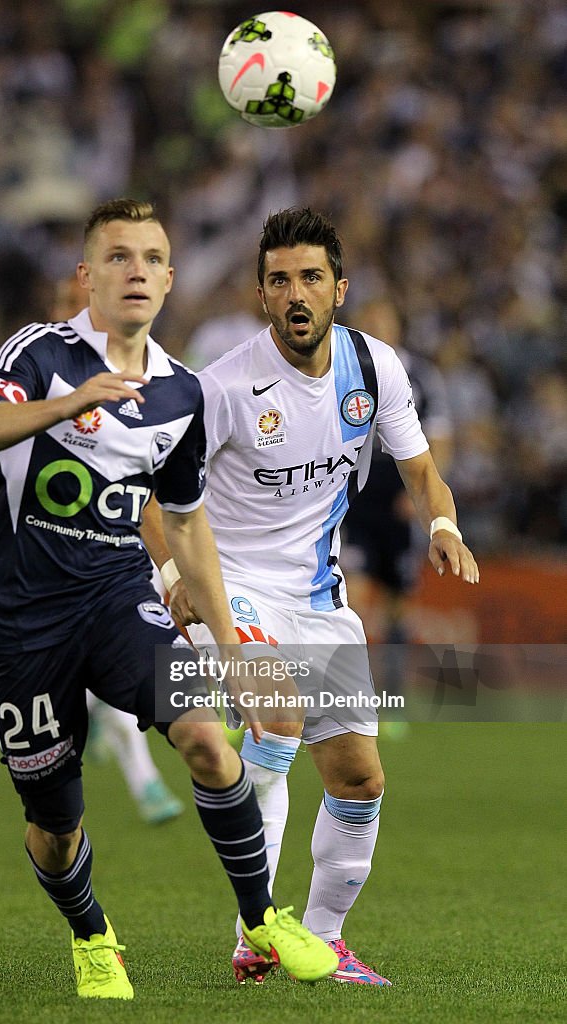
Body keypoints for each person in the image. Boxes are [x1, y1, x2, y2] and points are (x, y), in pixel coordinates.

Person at [0, 199, 339, 1000]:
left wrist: (229, 647)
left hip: (117, 596)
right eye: (117, 257)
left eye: (150, 258)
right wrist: (63, 405)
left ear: (167, 279)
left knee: (204, 735)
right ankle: (93, 937)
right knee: (56, 826)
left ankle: (262, 917)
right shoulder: (40, 354)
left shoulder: (182, 394)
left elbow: (189, 527)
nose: (136, 270)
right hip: (22, 618)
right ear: (86, 277)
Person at [141, 206, 479, 987]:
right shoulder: (222, 386)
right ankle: (256, 929)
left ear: (339, 288)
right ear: (262, 296)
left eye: (310, 278)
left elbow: (421, 467)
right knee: (278, 711)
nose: (295, 293)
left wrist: (441, 523)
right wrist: (173, 581)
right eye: (279, 280)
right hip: (232, 592)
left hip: (318, 599)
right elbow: (151, 497)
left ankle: (322, 942)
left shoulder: (375, 368)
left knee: (359, 780)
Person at [51, 272, 184, 825]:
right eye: (64, 305)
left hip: (121, 561)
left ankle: (145, 779)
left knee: (132, 654)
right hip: (53, 562)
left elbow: (151, 487)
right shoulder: (38, 374)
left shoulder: (143, 383)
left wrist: (172, 568)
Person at [340, 297, 454, 732]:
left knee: (397, 601)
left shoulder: (421, 376)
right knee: (353, 592)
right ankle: (348, 696)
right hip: (356, 492)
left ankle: (391, 699)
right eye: (368, 319)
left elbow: (440, 436)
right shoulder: (346, 368)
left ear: (398, 326)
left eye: (381, 318)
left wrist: (424, 495)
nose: (374, 326)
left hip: (400, 490)